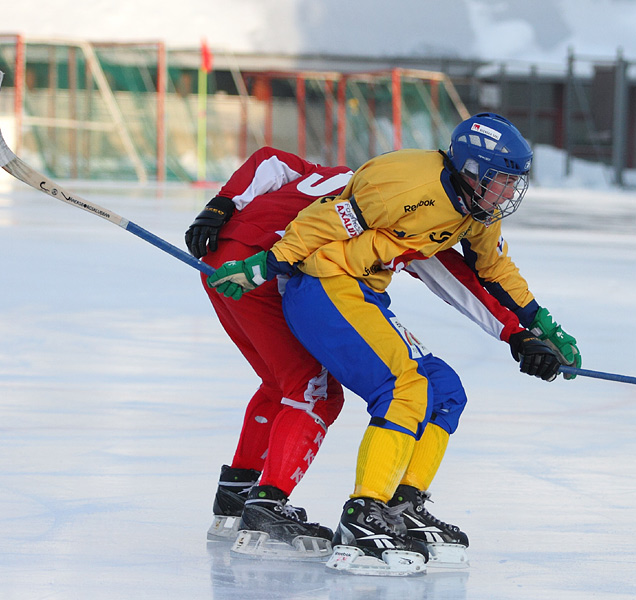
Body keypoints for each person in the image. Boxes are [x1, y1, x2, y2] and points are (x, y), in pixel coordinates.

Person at [206, 113, 580, 576]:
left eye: (512, 182)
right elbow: (322, 220)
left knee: (443, 389)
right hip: (324, 283)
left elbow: (491, 272)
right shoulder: (403, 184)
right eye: (500, 180)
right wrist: (269, 262)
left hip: (363, 290)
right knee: (393, 387)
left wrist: (536, 329)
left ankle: (402, 505)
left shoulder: (475, 210)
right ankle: (360, 513)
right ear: (470, 170)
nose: (508, 193)